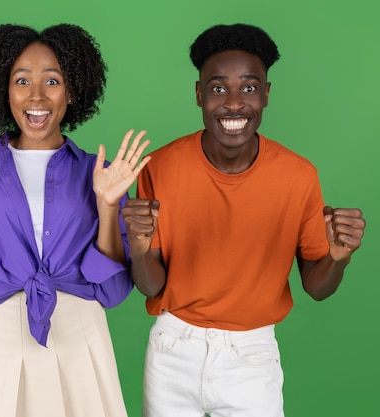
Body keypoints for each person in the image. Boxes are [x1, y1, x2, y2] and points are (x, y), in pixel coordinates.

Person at [121, 23, 366, 417]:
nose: (234, 104)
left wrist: (338, 256)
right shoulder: (162, 167)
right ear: (199, 94)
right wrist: (137, 247)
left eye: (249, 88)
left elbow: (317, 289)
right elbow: (152, 286)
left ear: (266, 94)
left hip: (252, 356)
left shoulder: (298, 176)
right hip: (172, 349)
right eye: (218, 88)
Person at [0, 23, 151, 417]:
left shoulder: (102, 174)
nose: (36, 96)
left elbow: (111, 290)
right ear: (4, 90)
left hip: (79, 332)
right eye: (22, 80)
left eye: (52, 81)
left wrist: (108, 206)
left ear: (72, 92)